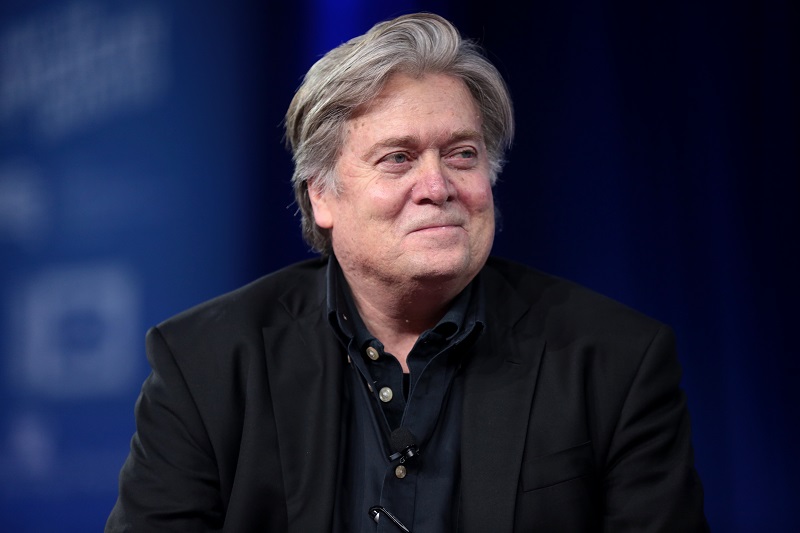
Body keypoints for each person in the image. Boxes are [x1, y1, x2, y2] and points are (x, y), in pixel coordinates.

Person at [106, 12, 708, 532]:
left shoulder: (616, 361)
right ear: (322, 195)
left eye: (462, 155)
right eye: (398, 158)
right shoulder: (205, 364)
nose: (437, 186)